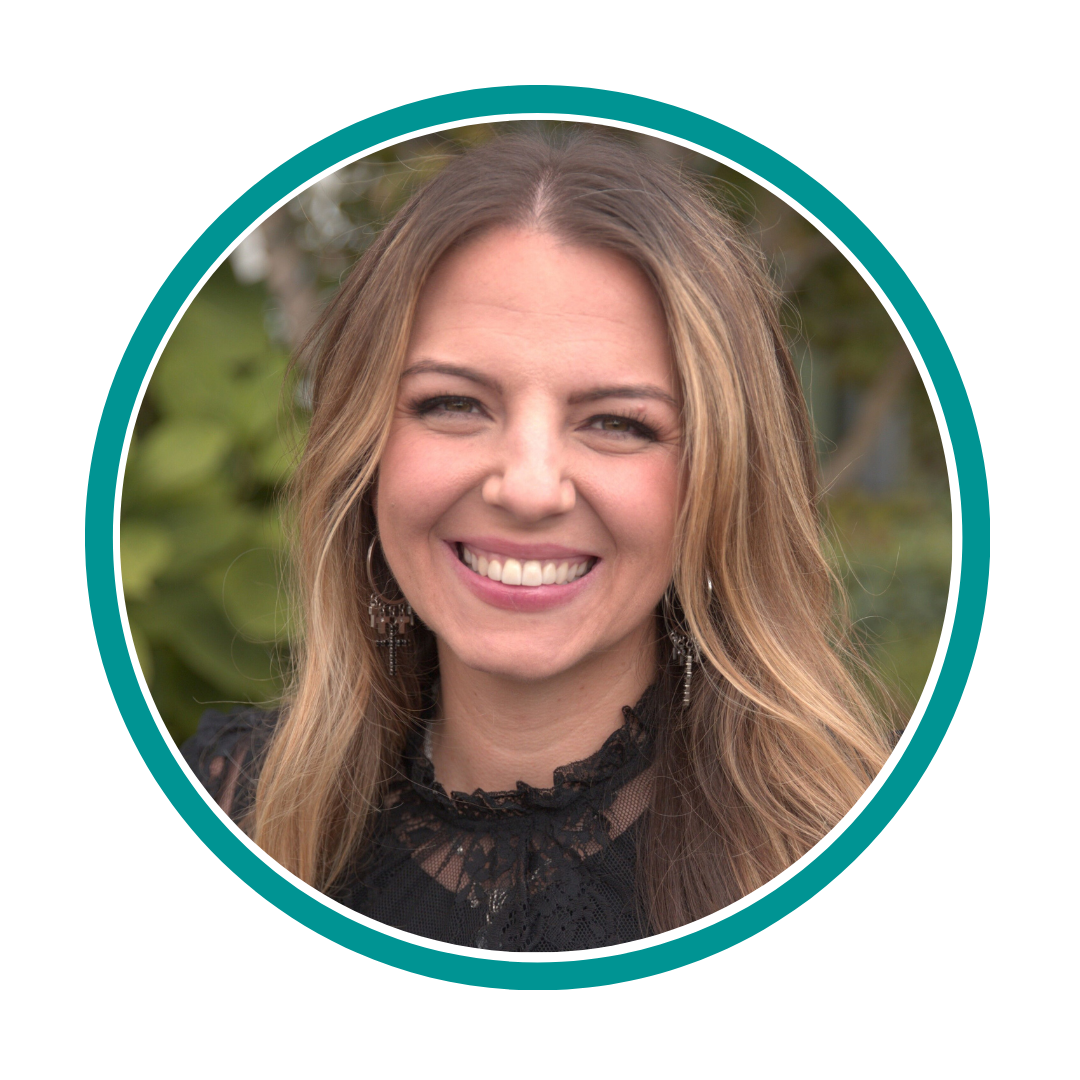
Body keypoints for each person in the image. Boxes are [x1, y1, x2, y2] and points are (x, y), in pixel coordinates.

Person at [181, 122, 900, 957]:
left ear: (723, 480)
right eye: (453, 404)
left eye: (617, 422)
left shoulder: (878, 859)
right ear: (364, 450)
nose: (526, 488)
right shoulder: (233, 813)